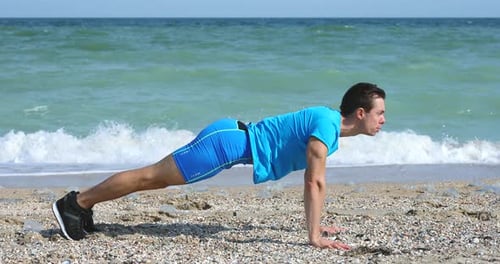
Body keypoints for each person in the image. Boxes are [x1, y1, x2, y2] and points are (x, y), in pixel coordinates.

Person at [52, 82, 386, 250]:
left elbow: (314, 181)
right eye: (379, 113)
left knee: (152, 177)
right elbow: (314, 182)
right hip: (225, 145)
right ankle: (75, 204)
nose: (383, 120)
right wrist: (314, 236)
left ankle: (82, 205)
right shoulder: (326, 125)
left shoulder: (329, 125)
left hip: (230, 139)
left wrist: (316, 228)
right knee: (151, 177)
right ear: (360, 113)